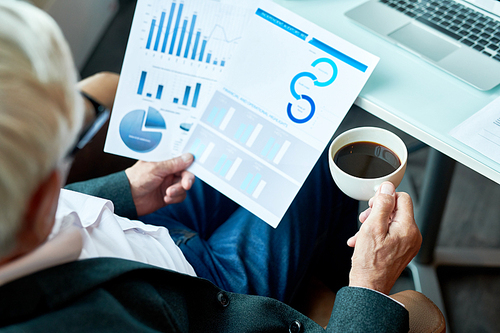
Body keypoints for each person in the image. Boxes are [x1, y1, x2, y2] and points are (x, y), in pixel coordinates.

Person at [0, 1, 422, 332]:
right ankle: (339, 279)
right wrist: (368, 286)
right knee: (318, 164)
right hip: (206, 291)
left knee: (284, 139)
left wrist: (124, 189)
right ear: (38, 200)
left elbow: (59, 212)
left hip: (142, 222)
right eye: (62, 157)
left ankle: (327, 267)